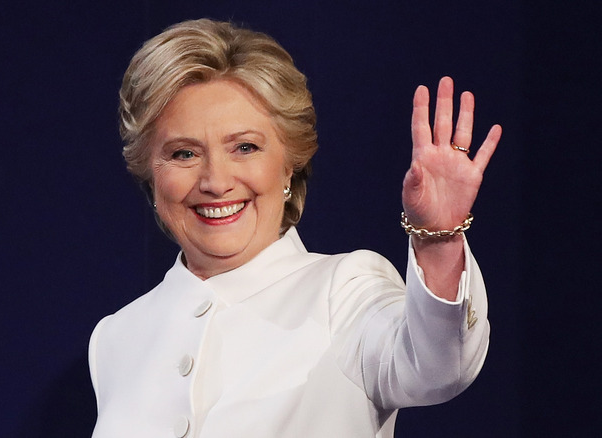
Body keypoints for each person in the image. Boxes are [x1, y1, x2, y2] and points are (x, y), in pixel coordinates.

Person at [88, 18, 501, 438]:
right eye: (183, 153)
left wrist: (439, 238)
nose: (215, 181)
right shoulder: (116, 337)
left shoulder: (345, 290)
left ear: (289, 164)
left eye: (245, 147)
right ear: (150, 174)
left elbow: (439, 367)